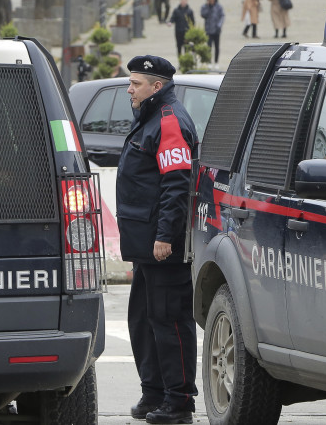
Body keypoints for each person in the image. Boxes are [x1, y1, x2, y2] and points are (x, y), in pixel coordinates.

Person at [118, 55, 198, 425]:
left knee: (169, 320)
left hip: (161, 245)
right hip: (144, 246)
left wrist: (165, 237)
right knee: (144, 320)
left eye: (136, 83)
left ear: (157, 86)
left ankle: (178, 401)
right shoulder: (149, 117)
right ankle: (154, 391)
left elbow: (176, 184)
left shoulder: (168, 121)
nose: (129, 89)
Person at [200, 0, 225, 64]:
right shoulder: (205, 7)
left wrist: (219, 25)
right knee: (209, 47)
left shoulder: (219, 7)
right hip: (208, 30)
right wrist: (208, 7)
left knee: (217, 47)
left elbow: (222, 16)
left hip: (216, 30)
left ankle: (216, 61)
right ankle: (209, 61)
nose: (211, 1)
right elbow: (203, 15)